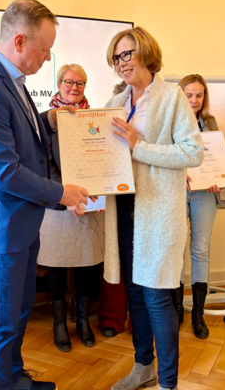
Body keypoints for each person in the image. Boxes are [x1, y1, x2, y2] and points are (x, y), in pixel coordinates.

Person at [0, 0, 96, 390]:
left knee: (18, 311)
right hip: (1, 226)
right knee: (2, 322)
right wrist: (61, 193)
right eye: (45, 48)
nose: (48, 57)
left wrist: (52, 118)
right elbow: (4, 171)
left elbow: (24, 132)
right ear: (20, 41)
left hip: (19, 223)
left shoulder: (9, 79)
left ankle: (15, 379)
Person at [103, 27, 204, 390]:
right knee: (133, 291)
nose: (121, 62)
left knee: (156, 295)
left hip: (158, 211)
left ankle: (167, 383)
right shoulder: (115, 100)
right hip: (124, 206)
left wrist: (139, 145)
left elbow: (193, 152)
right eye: (117, 57)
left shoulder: (171, 96)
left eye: (127, 54)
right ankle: (143, 366)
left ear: (145, 52)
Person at [38, 64, 105, 352]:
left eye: (80, 83)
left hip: (88, 202)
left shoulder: (96, 118)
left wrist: (98, 195)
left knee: (87, 264)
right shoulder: (45, 121)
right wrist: (65, 196)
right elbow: (43, 164)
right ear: (59, 84)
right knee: (57, 265)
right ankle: (59, 324)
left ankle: (83, 321)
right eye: (69, 82)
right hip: (57, 204)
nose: (74, 88)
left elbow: (102, 159)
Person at [172, 74, 223, 339]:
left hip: (205, 193)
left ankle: (198, 314)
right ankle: (177, 310)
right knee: (178, 248)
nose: (194, 100)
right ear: (180, 95)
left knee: (200, 249)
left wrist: (218, 179)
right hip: (177, 191)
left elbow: (218, 160)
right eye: (189, 94)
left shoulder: (210, 123)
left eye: (199, 95)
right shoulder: (169, 121)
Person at [98, 79, 132, 339]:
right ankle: (112, 317)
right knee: (115, 258)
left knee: (139, 261)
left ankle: (138, 319)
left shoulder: (148, 121)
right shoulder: (104, 121)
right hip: (114, 195)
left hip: (144, 195)